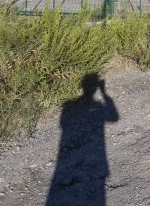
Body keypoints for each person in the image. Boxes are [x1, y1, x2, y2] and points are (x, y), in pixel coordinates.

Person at [47, 73, 119, 206]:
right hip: (95, 154)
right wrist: (104, 93)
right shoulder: (94, 105)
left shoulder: (68, 105)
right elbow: (114, 117)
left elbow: (62, 124)